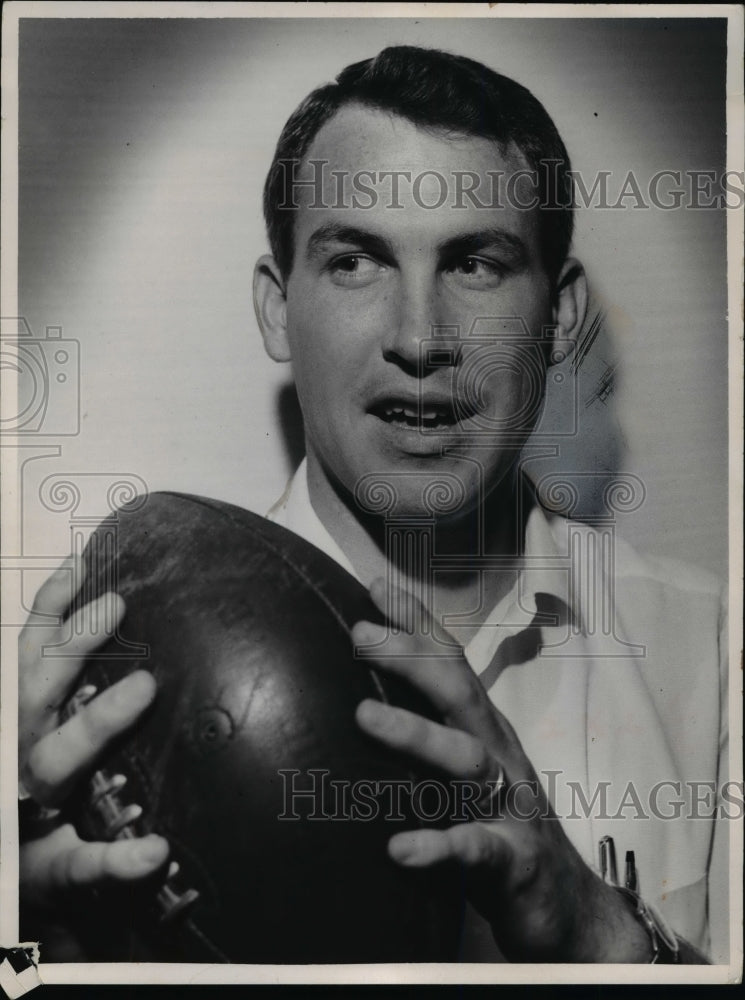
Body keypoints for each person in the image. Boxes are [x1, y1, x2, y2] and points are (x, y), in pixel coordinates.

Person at [18, 46, 728, 964]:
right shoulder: (81, 674)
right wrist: (34, 954)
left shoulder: (714, 659)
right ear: (278, 308)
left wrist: (599, 930)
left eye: (476, 264)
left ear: (558, 317)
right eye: (356, 261)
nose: (419, 338)